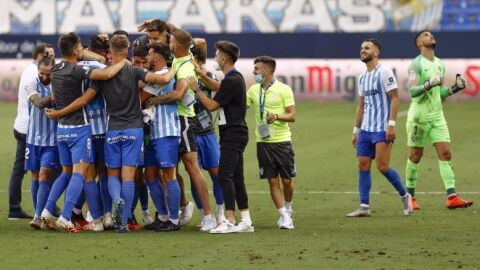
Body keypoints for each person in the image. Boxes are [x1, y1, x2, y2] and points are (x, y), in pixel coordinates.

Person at [46, 34, 175, 232]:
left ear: (110, 52)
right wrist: (177, 66)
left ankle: (115, 200)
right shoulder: (134, 71)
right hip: (134, 129)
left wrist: (58, 112)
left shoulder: (103, 75)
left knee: (112, 175)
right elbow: (162, 79)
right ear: (126, 50)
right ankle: (122, 223)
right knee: (128, 177)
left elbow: (84, 99)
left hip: (112, 131)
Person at [40, 32, 128, 233]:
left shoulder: (55, 70)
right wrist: (122, 61)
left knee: (69, 173)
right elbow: (104, 77)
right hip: (83, 129)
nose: (82, 50)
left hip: (62, 129)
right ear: (76, 50)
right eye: (80, 47)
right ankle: (68, 215)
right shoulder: (80, 70)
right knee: (88, 174)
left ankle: (47, 211)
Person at [144, 28, 217, 232]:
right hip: (173, 121)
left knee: (192, 168)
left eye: (171, 41)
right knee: (169, 170)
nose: (169, 44)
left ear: (176, 45)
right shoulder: (181, 57)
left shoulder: (184, 68)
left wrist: (154, 100)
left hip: (184, 120)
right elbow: (192, 40)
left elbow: (178, 94)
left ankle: (208, 215)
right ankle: (176, 211)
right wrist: (163, 25)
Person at [189, 40, 254, 234]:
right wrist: (201, 74)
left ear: (224, 58)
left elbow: (211, 106)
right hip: (237, 132)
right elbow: (218, 86)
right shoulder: (234, 78)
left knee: (225, 176)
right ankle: (246, 220)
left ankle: (229, 221)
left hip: (232, 134)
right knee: (237, 177)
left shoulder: (231, 80)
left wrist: (196, 89)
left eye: (217, 54)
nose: (215, 57)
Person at [405, 30, 473, 209]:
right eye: (425, 35)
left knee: (446, 153)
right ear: (419, 43)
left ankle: (452, 197)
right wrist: (428, 84)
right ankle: (409, 198)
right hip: (419, 117)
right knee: (415, 156)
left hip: (437, 116)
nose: (430, 36)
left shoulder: (440, 64)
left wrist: (454, 89)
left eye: (431, 34)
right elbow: (411, 91)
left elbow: (439, 92)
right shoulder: (416, 64)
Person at [348, 39, 413, 217]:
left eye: (367, 48)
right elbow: (361, 105)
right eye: (361, 47)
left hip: (382, 128)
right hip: (365, 129)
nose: (363, 50)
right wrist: (356, 130)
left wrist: (391, 125)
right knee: (363, 165)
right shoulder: (362, 78)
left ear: (376, 52)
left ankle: (405, 196)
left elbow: (395, 99)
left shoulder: (384, 72)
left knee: (383, 167)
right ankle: (364, 207)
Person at [246, 56, 296, 229]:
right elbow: (241, 107)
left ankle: (288, 208)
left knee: (287, 181)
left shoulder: (284, 90)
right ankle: (284, 216)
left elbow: (292, 115)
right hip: (263, 142)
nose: (254, 72)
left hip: (282, 142)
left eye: (257, 69)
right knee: (272, 181)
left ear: (267, 71)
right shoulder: (253, 90)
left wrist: (277, 116)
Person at [8, 44, 54, 220]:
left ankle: (44, 207)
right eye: (49, 54)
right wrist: (54, 97)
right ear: (40, 56)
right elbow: (38, 101)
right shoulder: (32, 74)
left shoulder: (47, 75)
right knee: (27, 170)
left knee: (43, 171)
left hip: (32, 128)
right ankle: (16, 208)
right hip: (29, 130)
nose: (52, 57)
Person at [189, 45, 226, 226]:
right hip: (190, 133)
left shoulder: (208, 76)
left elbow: (218, 91)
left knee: (216, 173)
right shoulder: (182, 75)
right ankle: (204, 214)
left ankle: (220, 212)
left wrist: (200, 77)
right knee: (194, 175)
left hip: (207, 132)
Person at [24, 56, 58, 229]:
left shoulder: (58, 83)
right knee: (35, 176)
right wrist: (55, 96)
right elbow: (38, 103)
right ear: (38, 71)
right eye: (42, 73)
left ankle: (38, 216)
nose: (45, 77)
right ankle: (43, 212)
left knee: (45, 175)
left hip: (52, 141)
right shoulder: (31, 84)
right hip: (32, 140)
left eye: (48, 74)